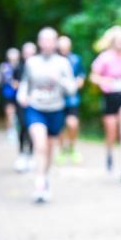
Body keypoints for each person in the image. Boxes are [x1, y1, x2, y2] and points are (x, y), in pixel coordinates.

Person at [16, 28, 77, 202]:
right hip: (36, 108)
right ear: (39, 42)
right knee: (40, 144)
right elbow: (25, 83)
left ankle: (45, 176)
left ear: (56, 42)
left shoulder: (63, 63)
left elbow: (72, 89)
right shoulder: (32, 62)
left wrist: (59, 79)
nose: (48, 43)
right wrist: (22, 95)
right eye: (44, 40)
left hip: (56, 109)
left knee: (49, 148)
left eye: (51, 40)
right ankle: (39, 183)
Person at [90, 25, 121, 184]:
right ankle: (110, 151)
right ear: (113, 41)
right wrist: (104, 81)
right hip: (110, 97)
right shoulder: (104, 58)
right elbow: (94, 77)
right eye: (119, 40)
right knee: (111, 134)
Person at [56, 35, 86, 164]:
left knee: (72, 123)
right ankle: (62, 150)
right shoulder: (53, 60)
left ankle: (72, 148)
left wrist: (78, 83)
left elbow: (81, 75)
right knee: (60, 126)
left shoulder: (76, 59)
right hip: (56, 99)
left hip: (72, 98)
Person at [13, 42, 36, 172]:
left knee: (33, 128)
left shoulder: (39, 66)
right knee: (22, 127)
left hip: (36, 103)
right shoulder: (19, 68)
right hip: (21, 103)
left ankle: (31, 155)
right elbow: (15, 84)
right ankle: (22, 154)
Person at [0, 47, 21, 144]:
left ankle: (17, 131)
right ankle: (10, 131)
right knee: (10, 113)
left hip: (20, 94)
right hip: (8, 93)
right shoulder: (4, 66)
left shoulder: (21, 65)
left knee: (18, 114)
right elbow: (3, 79)